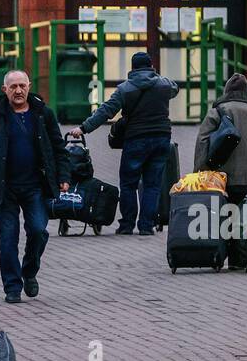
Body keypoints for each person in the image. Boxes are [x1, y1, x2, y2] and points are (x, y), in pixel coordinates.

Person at [0, 70, 71, 304]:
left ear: (29, 87)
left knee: (38, 230)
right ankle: (12, 287)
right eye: (13, 86)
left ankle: (29, 271)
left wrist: (64, 176)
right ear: (4, 90)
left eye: (22, 86)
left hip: (36, 186)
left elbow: (58, 148)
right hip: (4, 189)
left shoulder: (43, 114)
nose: (18, 91)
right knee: (8, 238)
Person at [69, 50, 178, 235]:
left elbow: (105, 111)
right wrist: (156, 75)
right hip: (161, 139)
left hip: (136, 140)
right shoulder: (164, 84)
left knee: (128, 184)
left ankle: (127, 225)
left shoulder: (125, 89)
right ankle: (146, 226)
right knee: (153, 185)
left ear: (132, 68)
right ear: (151, 66)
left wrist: (84, 128)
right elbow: (174, 87)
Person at [193, 73, 247, 267]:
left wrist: (200, 172)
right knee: (244, 220)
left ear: (227, 91)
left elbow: (203, 141)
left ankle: (224, 254)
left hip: (223, 178)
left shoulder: (218, 111)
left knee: (225, 218)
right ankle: (240, 258)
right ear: (245, 92)